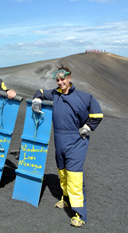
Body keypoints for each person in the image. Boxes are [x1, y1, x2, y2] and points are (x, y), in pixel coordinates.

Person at [31, 65, 103, 227]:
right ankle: (66, 199)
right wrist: (37, 99)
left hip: (76, 142)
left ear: (69, 78)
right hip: (59, 141)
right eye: (57, 79)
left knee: (74, 177)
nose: (60, 82)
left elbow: (97, 114)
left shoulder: (83, 97)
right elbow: (41, 92)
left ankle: (80, 214)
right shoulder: (54, 94)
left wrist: (88, 127)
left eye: (63, 79)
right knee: (62, 173)